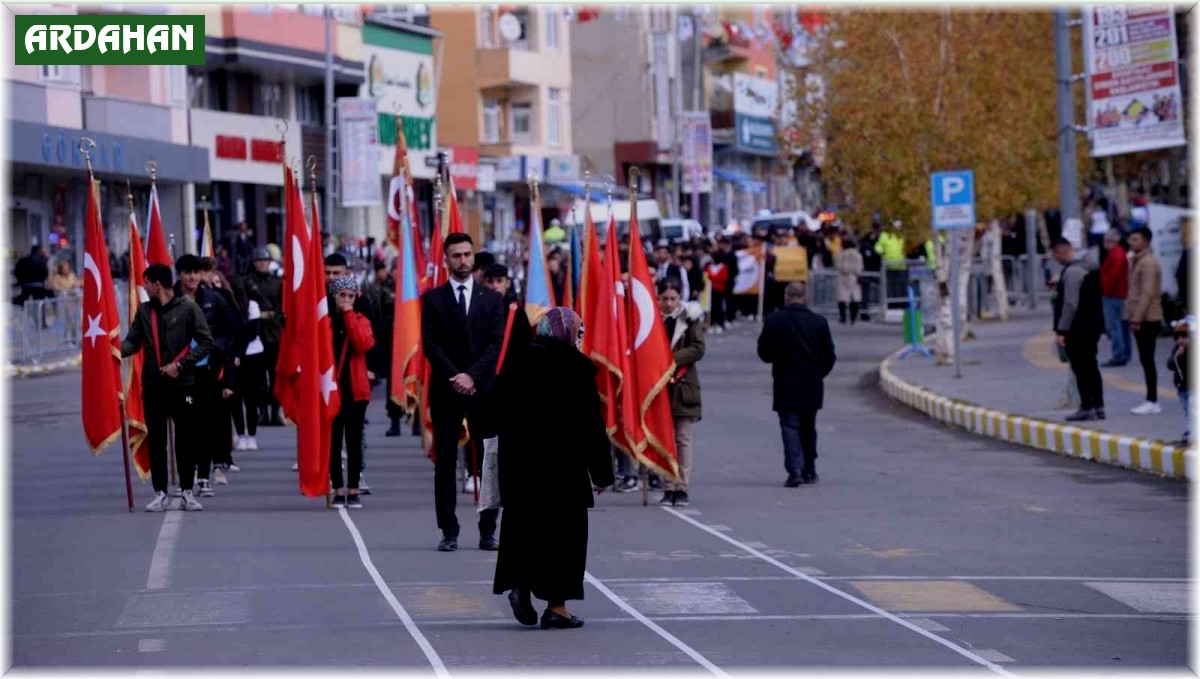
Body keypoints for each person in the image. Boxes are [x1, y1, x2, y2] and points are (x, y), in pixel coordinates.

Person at [492, 307, 614, 629]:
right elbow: (590, 426)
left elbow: (497, 409)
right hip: (563, 472)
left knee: (524, 529)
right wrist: (601, 472)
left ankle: (520, 584)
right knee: (564, 538)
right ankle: (557, 607)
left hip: (521, 468)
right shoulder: (576, 368)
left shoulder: (519, 360)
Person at [420, 233, 505, 552]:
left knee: (490, 462)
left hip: (483, 389)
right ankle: (449, 530)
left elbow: (496, 343)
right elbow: (430, 343)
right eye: (456, 255)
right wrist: (455, 375)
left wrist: (472, 375)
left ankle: (488, 529)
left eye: (468, 254)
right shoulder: (433, 299)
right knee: (445, 462)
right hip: (447, 389)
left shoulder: (492, 299)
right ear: (446, 260)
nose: (463, 261)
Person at [119, 264, 215, 512]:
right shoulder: (144, 311)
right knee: (157, 441)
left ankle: (186, 492)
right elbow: (134, 341)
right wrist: (113, 352)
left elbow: (206, 342)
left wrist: (181, 365)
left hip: (183, 384)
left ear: (157, 284)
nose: (145, 288)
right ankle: (160, 492)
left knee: (185, 440)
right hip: (153, 386)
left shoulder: (188, 308)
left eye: (147, 283)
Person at [757, 281, 836, 487]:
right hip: (812, 384)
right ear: (805, 297)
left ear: (786, 297)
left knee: (789, 427)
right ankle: (809, 468)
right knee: (808, 427)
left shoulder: (775, 321)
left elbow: (764, 353)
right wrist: (818, 374)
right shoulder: (819, 322)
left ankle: (794, 470)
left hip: (786, 383)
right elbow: (829, 356)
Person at [176, 255, 242, 497]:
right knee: (185, 426)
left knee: (206, 424)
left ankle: (204, 476)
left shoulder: (215, 299)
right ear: (179, 274)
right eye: (187, 272)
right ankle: (187, 477)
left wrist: (217, 350)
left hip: (208, 372)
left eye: (196, 271)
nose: (193, 277)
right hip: (182, 374)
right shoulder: (170, 302)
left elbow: (233, 330)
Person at [327, 276, 376, 509]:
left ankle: (354, 489)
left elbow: (362, 344)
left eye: (350, 296)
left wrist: (348, 315)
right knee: (333, 442)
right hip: (332, 389)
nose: (346, 300)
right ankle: (337, 488)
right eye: (341, 295)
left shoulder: (360, 320)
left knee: (354, 441)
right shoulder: (325, 322)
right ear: (333, 296)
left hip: (355, 390)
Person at [658, 278, 705, 507]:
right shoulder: (651, 319)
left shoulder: (690, 317)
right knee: (664, 439)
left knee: (682, 439)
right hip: (658, 387)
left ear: (679, 298)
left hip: (684, 386)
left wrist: (669, 359)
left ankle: (682, 487)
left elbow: (698, 348)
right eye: (665, 299)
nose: (668, 303)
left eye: (673, 299)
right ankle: (668, 484)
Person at [1051, 238, 1105, 422]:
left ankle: (1087, 406)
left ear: (1060, 251)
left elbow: (1070, 304)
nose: (1055, 258)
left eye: (1055, 254)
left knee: (1081, 367)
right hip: (1093, 323)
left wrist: (1061, 329)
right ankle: (1098, 406)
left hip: (1078, 327)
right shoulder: (1091, 267)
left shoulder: (1073, 271)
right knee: (1091, 364)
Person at [234, 246, 284, 426]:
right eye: (259, 261)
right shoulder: (247, 282)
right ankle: (262, 411)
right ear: (254, 263)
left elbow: (283, 306)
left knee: (275, 374)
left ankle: (276, 411)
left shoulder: (278, 282)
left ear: (270, 262)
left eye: (265, 261)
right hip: (256, 330)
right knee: (257, 376)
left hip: (274, 330)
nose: (262, 264)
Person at [1125, 227, 1164, 415]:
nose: (1132, 242)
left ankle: (1152, 400)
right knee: (1145, 359)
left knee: (1147, 359)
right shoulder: (1138, 260)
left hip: (1148, 318)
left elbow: (1147, 293)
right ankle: (1151, 399)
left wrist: (1136, 318)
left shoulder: (1147, 263)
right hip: (1143, 317)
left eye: (1136, 239)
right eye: (1131, 239)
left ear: (1146, 241)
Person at [367, 260, 403, 437]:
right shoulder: (384, 289)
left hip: (411, 340)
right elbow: (378, 314)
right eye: (395, 268)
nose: (397, 272)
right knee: (393, 382)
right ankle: (394, 420)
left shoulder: (414, 287)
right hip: (390, 339)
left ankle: (417, 420)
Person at [1100, 229, 1131, 367]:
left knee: (1115, 327)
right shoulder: (1118, 253)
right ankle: (1125, 353)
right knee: (1122, 326)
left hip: (1113, 295)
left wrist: (1103, 290)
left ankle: (1119, 354)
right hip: (1118, 294)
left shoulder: (1115, 255)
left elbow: (1112, 277)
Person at [1167, 316, 1192, 444]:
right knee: (1187, 411)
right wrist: (1178, 356)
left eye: (1184, 337)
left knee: (1193, 411)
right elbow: (1170, 364)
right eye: (1178, 338)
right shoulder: (1177, 351)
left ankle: (1191, 433)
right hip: (1182, 387)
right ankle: (1190, 432)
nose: (1181, 340)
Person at [835, 238, 864, 324]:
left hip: (842, 277)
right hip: (854, 277)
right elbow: (860, 268)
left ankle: (843, 317)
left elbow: (838, 265)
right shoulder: (858, 255)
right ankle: (853, 318)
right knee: (855, 297)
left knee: (842, 298)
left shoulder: (840, 254)